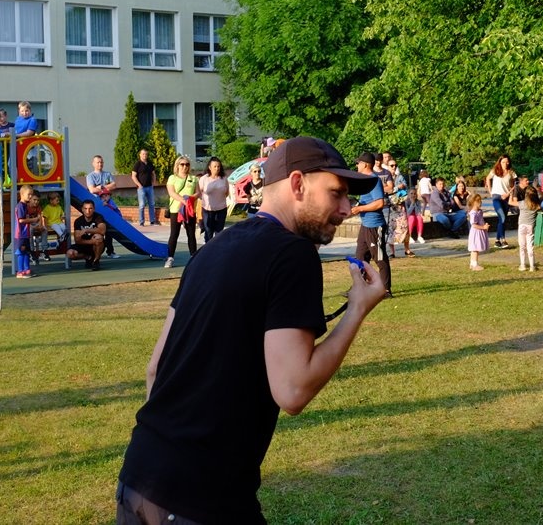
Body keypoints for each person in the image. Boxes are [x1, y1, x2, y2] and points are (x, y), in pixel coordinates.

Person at [116, 136, 385, 524]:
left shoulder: (212, 250)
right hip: (201, 497)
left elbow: (155, 370)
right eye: (336, 193)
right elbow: (292, 391)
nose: (346, 208)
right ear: (297, 184)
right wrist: (357, 308)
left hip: (139, 476)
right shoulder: (292, 255)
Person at [351, 152, 391, 293]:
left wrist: (360, 208)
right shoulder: (366, 180)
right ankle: (360, 288)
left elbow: (379, 203)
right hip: (366, 225)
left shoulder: (374, 180)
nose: (357, 165)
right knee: (360, 257)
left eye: (359, 163)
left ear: (366, 165)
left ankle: (385, 290)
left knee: (380, 258)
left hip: (375, 225)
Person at [164, 156, 198, 269]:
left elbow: (198, 192)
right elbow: (171, 192)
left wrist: (191, 198)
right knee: (174, 234)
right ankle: (170, 258)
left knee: (191, 234)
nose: (184, 167)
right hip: (176, 209)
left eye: (187, 164)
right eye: (182, 164)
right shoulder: (172, 178)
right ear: (177, 165)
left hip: (189, 210)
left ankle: (193, 257)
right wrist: (183, 200)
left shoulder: (193, 178)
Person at [87, 155, 118, 258]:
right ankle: (94, 252)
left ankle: (110, 251)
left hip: (108, 204)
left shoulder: (107, 174)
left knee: (110, 228)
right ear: (93, 164)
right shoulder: (90, 176)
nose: (100, 164)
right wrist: (105, 189)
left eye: (101, 162)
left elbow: (114, 185)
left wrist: (101, 187)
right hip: (97, 206)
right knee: (99, 228)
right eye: (98, 162)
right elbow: (92, 190)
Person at [485, 155, 517, 248]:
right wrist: (490, 191)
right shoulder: (495, 170)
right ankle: (503, 240)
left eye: (507, 162)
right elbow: (488, 178)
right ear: (500, 162)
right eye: (503, 162)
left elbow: (513, 186)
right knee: (502, 216)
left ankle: (497, 240)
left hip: (506, 198)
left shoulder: (511, 172)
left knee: (502, 219)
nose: (505, 164)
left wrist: (508, 195)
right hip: (496, 197)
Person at [198, 157, 230, 243]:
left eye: (218, 166)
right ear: (210, 167)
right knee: (208, 232)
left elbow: (227, 193)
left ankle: (217, 249)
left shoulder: (224, 179)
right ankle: (208, 248)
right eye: (215, 166)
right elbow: (199, 193)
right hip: (208, 210)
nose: (217, 168)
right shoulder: (204, 179)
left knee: (219, 233)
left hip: (221, 209)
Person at [67, 200, 105, 270]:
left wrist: (86, 230)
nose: (88, 211)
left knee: (98, 237)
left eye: (90, 208)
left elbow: (102, 230)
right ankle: (88, 258)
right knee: (70, 253)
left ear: (94, 209)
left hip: (96, 246)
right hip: (84, 245)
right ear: (82, 209)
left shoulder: (98, 217)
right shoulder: (78, 221)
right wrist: (92, 241)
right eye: (85, 208)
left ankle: (96, 261)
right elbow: (77, 240)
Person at [13, 185, 37, 278]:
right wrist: (33, 220)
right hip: (20, 234)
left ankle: (27, 270)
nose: (30, 196)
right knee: (21, 252)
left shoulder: (25, 205)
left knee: (26, 252)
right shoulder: (20, 206)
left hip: (25, 233)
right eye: (29, 194)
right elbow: (21, 220)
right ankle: (20, 271)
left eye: (31, 194)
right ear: (22, 194)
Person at [517, 185, 541, 272]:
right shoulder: (536, 205)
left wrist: (512, 194)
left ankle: (523, 265)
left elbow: (510, 202)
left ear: (526, 195)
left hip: (522, 226)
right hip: (530, 227)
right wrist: (539, 190)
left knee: (522, 246)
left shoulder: (522, 204)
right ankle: (532, 266)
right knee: (530, 247)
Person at [131, 149, 158, 226]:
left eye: (146, 154)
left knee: (151, 204)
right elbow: (133, 176)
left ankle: (152, 221)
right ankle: (141, 222)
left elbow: (153, 174)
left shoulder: (150, 163)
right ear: (140, 155)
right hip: (141, 188)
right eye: (143, 154)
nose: (144, 155)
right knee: (142, 205)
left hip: (149, 187)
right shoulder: (137, 164)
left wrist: (153, 183)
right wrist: (139, 185)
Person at [467, 193, 489, 271]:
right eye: (478, 201)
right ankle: (474, 265)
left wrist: (484, 225)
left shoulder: (479, 211)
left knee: (475, 249)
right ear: (473, 202)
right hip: (476, 233)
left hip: (479, 232)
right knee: (475, 249)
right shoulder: (473, 213)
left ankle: (472, 263)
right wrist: (483, 227)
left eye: (480, 201)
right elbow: (473, 225)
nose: (480, 202)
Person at [41, 191, 68, 255]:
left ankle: (62, 238)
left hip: (58, 221)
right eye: (57, 200)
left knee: (63, 227)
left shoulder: (59, 207)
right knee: (56, 227)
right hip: (51, 223)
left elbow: (61, 214)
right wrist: (46, 226)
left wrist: (62, 217)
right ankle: (62, 236)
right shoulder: (47, 208)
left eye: (58, 200)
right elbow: (45, 218)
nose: (58, 202)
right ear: (51, 201)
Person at [27, 191, 49, 264]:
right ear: (30, 199)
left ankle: (44, 250)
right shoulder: (27, 207)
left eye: (38, 200)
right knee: (30, 230)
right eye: (34, 200)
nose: (36, 202)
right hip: (28, 224)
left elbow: (40, 217)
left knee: (44, 229)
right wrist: (34, 226)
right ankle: (31, 250)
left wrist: (40, 225)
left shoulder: (38, 207)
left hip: (35, 223)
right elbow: (27, 220)